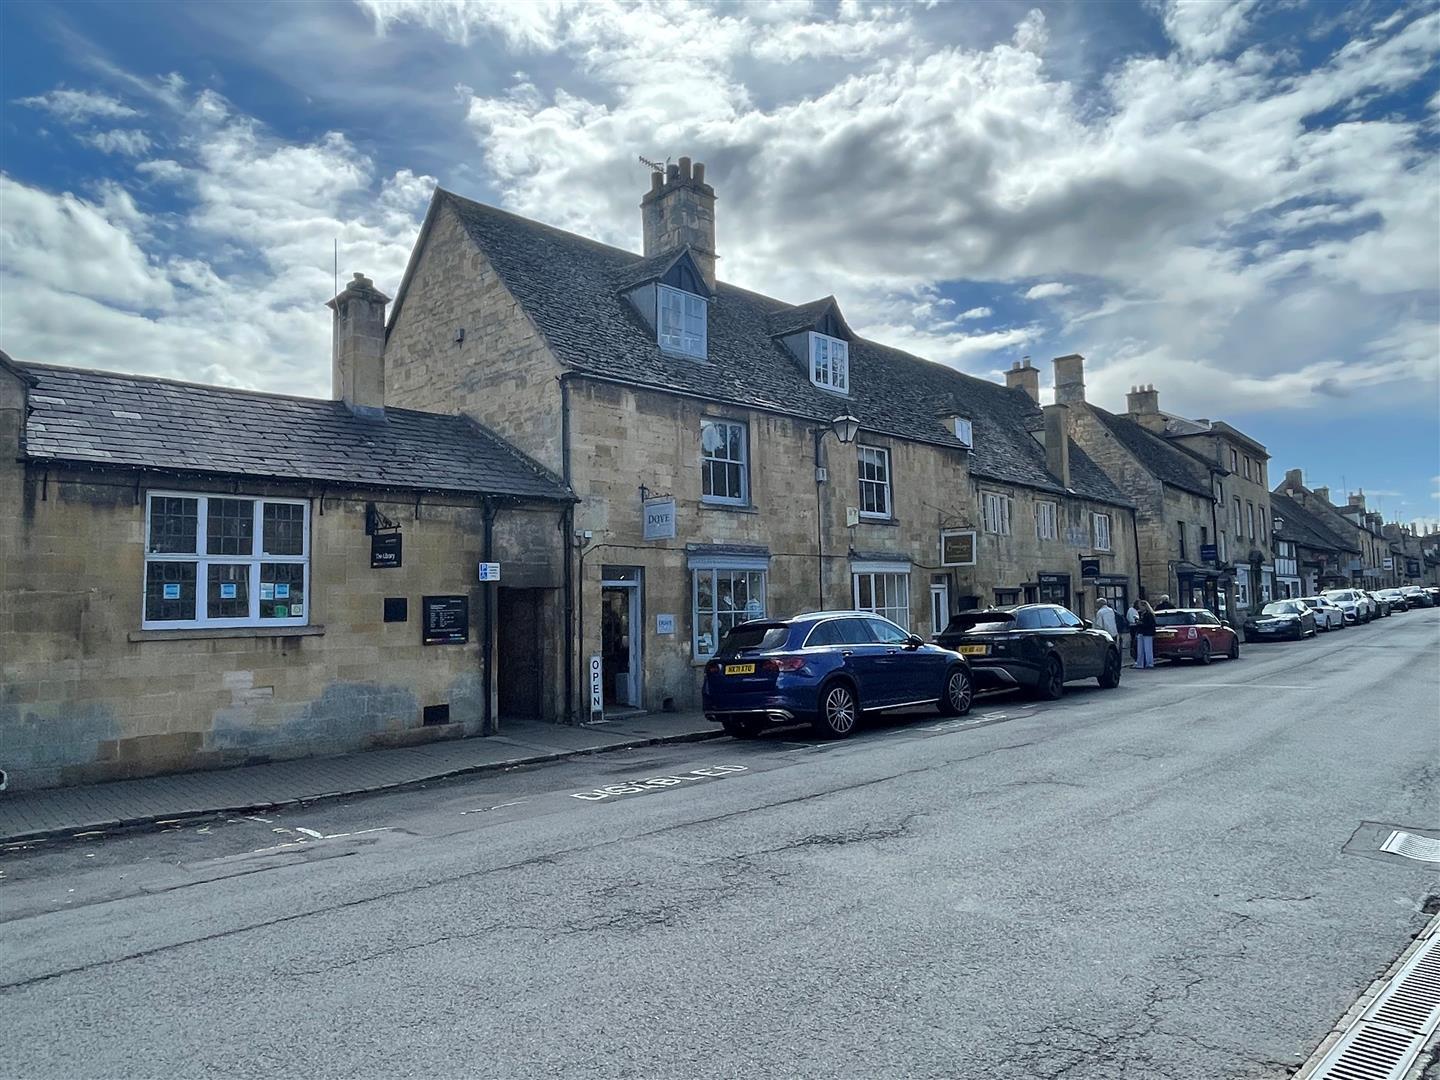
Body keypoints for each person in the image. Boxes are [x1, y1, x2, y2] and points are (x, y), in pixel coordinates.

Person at [1134, 599, 1158, 668]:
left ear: (1145, 607)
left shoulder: (1149, 614)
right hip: (1141, 632)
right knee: (1140, 649)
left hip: (1147, 633)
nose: (1139, 608)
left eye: (1140, 606)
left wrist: (1141, 623)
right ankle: (1140, 664)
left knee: (1148, 649)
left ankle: (1149, 663)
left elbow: (1150, 624)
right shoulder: (1141, 614)